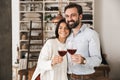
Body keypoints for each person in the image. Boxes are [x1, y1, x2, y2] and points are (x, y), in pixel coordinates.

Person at [64, 3, 102, 80]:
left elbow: (98, 60)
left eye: (73, 15)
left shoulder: (91, 34)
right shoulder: (67, 35)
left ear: (80, 16)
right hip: (68, 77)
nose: (69, 19)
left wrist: (84, 60)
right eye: (67, 16)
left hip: (84, 78)